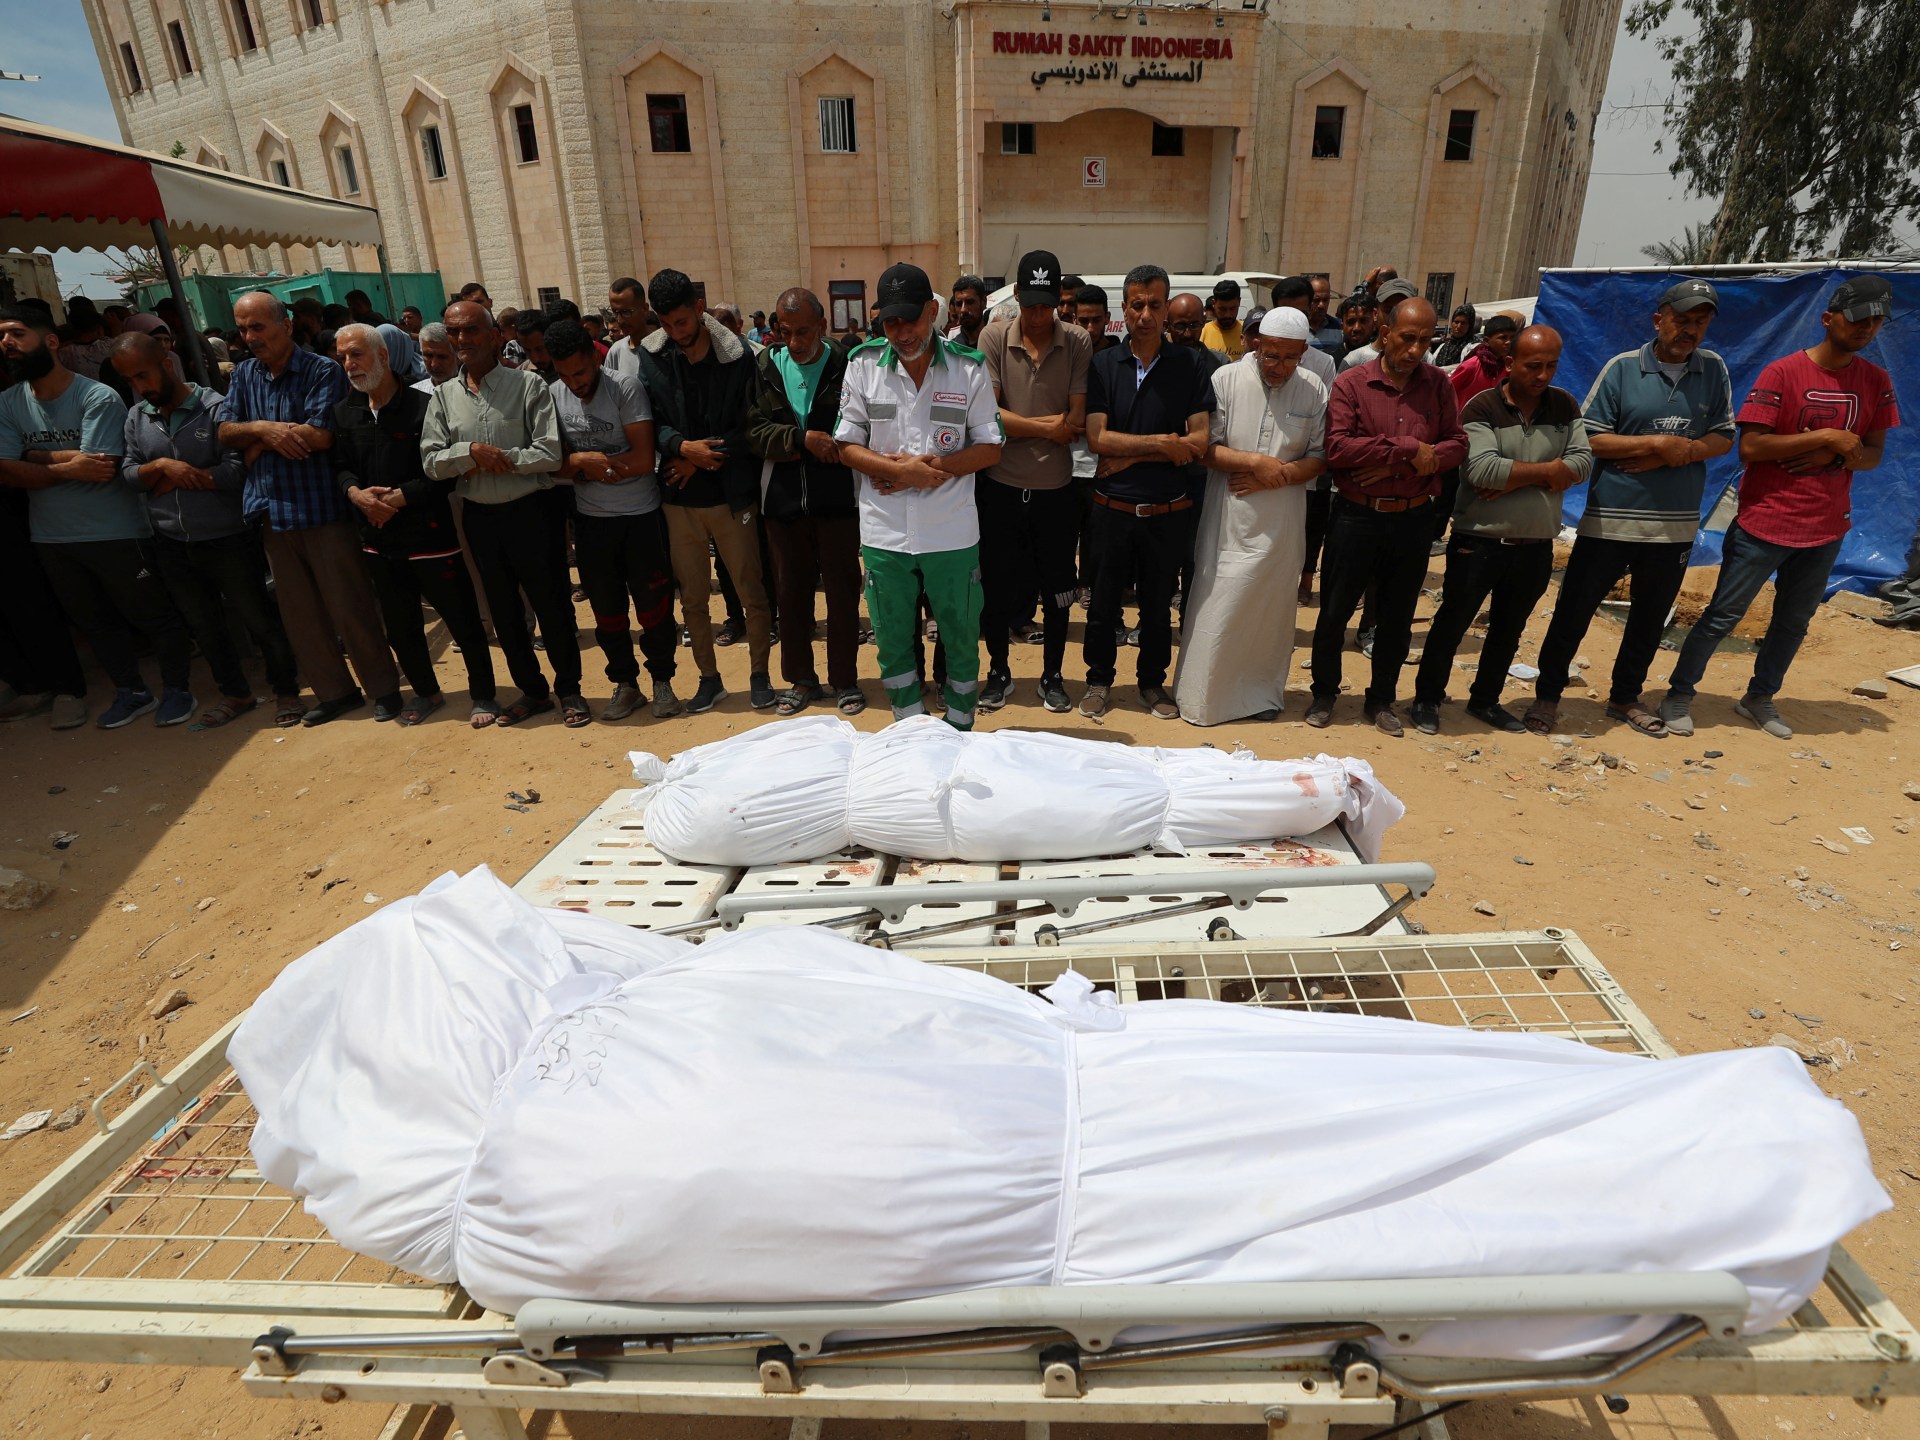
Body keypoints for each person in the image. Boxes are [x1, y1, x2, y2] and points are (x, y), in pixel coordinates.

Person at [1658, 276, 1899, 740]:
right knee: (1722, 616)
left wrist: (1833, 455)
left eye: (1875, 322)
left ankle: (1760, 697)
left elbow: (1873, 454)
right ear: (1828, 319)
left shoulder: (1875, 381)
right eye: (1858, 319)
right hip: (1765, 522)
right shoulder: (1783, 373)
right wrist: (1825, 437)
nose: (1866, 328)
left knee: (1793, 622)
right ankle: (1679, 694)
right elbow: (1750, 447)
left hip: (1826, 528)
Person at [1527, 279, 1735, 737]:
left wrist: (1678, 452)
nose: (1690, 330)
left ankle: (1625, 696)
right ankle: (1548, 695)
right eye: (1682, 320)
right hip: (1610, 520)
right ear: (1659, 319)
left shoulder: (1713, 369)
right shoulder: (1622, 368)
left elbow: (1724, 435)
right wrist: (1654, 443)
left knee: (1648, 619)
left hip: (1674, 528)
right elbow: (1589, 437)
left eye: (1700, 323)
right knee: (1573, 611)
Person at [0, 307, 196, 728]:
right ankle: (132, 693)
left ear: (51, 341)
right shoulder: (8, 403)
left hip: (116, 531)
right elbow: (6, 471)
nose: (7, 343)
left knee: (153, 615)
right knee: (95, 623)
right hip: (52, 537)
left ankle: (179, 689)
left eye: (17, 333)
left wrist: (32, 456)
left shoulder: (97, 396)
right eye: (2, 337)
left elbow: (101, 466)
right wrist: (65, 465)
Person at [220, 292, 402, 726]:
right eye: (243, 329)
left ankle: (383, 689)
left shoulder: (322, 370)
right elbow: (225, 431)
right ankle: (336, 694)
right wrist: (263, 429)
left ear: (285, 326)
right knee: (300, 615)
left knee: (350, 606)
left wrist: (256, 444)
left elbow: (319, 435)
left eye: (258, 327)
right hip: (271, 511)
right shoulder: (244, 374)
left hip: (320, 508)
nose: (250, 337)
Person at [834, 262, 1003, 728]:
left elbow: (990, 447)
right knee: (892, 640)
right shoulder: (863, 366)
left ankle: (960, 727)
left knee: (961, 634)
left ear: (932, 311)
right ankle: (908, 729)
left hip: (951, 532)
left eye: (911, 319)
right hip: (884, 534)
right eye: (891, 322)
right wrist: (897, 471)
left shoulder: (967, 369)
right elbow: (845, 445)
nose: (902, 332)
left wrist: (927, 472)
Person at [112, 330, 302, 729]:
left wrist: (172, 481)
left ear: (166, 364)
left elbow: (235, 472)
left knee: (258, 618)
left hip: (227, 537)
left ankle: (286, 690)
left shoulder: (216, 408)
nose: (140, 387)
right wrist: (163, 467)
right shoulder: (136, 416)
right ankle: (235, 693)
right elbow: (129, 475)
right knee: (205, 626)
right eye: (130, 380)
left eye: (143, 375)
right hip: (172, 542)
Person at [1410, 326, 1592, 735]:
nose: (1543, 375)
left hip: (1535, 544)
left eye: (1551, 366)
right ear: (1510, 363)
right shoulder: (1482, 407)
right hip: (1480, 541)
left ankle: (1485, 700)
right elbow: (1482, 470)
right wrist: (1550, 471)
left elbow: (1582, 463)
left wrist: (1515, 478)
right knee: (1453, 622)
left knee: (1509, 630)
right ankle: (1427, 698)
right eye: (1533, 366)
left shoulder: (1564, 405)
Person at [421, 301, 586, 727]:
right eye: (454, 332)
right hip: (479, 518)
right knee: (504, 612)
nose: (462, 340)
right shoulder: (443, 397)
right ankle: (533, 692)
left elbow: (549, 453)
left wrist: (499, 459)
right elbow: (432, 462)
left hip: (531, 513)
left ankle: (570, 691)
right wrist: (470, 452)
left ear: (495, 335)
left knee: (551, 605)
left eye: (471, 330)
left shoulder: (528, 386)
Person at [1309, 297, 1467, 735]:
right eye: (1407, 338)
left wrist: (1395, 463)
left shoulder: (1438, 385)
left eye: (1425, 340)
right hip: (1357, 516)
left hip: (1413, 519)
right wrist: (1410, 449)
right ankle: (1324, 693)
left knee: (1397, 617)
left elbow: (1456, 445)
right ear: (1385, 334)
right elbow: (1339, 448)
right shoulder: (1352, 383)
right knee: (1335, 611)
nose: (1415, 350)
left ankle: (1380, 700)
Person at [332, 324, 497, 729]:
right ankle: (427, 692)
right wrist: (356, 494)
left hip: (430, 536)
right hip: (378, 539)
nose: (349, 364)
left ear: (383, 356)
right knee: (401, 627)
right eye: (343, 357)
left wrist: (399, 498)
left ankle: (483, 694)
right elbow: (339, 466)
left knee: (462, 620)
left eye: (356, 354)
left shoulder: (425, 408)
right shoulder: (345, 411)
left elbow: (446, 471)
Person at [1173, 308, 1328, 725]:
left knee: (1269, 613)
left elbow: (1319, 455)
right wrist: (1255, 463)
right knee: (1219, 603)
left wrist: (1279, 476)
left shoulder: (1313, 388)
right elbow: (1204, 449)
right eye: (1271, 355)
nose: (1279, 366)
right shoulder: (1225, 380)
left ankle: (1259, 696)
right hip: (1228, 516)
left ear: (1303, 353)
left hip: (1282, 519)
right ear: (1256, 344)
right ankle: (1204, 699)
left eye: (1290, 358)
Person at [634, 268, 775, 713]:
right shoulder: (652, 357)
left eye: (682, 322)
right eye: (666, 324)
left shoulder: (740, 356)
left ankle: (760, 676)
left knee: (751, 592)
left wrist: (697, 456)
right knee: (693, 599)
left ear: (698, 309)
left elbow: (750, 426)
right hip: (679, 501)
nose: (676, 332)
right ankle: (709, 679)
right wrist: (680, 447)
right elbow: (650, 422)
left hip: (732, 495)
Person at [1079, 263, 1213, 720]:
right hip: (1112, 509)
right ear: (1124, 308)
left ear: (1166, 307)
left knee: (1157, 607)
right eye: (1137, 305)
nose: (1146, 314)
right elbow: (1097, 438)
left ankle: (1152, 684)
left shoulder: (1189, 365)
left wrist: (1132, 454)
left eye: (1155, 305)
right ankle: (1098, 680)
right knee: (1103, 605)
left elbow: (1198, 441)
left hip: (1167, 511)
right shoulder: (1103, 364)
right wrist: (1162, 444)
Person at [972, 250, 1091, 714]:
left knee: (1059, 589)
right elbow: (988, 417)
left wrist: (1019, 424)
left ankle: (1052, 675)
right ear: (1017, 296)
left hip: (1055, 489)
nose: (1039, 315)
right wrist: (1048, 428)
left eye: (1047, 305)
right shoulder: (993, 337)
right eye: (1030, 305)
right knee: (998, 585)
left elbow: (1076, 419)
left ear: (1059, 299)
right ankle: (998, 672)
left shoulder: (1077, 340)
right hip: (1001, 485)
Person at [543, 316, 678, 723]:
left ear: (595, 358)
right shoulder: (552, 395)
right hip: (591, 522)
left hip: (640, 517)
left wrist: (587, 467)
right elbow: (551, 464)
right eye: (565, 375)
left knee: (653, 608)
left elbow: (643, 459)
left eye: (581, 373)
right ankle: (626, 684)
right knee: (607, 611)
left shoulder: (625, 388)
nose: (575, 383)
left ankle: (663, 682)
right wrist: (579, 463)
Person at [747, 288, 865, 715]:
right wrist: (801, 439)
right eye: (786, 331)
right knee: (791, 594)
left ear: (822, 326)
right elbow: (752, 431)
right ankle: (801, 679)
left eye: (803, 332)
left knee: (842, 594)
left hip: (838, 501)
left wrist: (836, 444)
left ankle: (845, 681)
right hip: (781, 505)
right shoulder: (765, 367)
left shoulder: (847, 366)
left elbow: (863, 425)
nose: (795, 342)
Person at [1340, 278, 1418, 373]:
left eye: (1403, 311)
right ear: (1375, 314)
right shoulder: (1354, 360)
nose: (1395, 318)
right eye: (1389, 310)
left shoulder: (1423, 359)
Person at [1449, 312, 1517, 406]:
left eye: (1512, 338)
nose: (1508, 342)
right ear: (1486, 341)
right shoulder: (1472, 365)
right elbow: (1447, 391)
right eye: (1503, 337)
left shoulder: (1509, 367)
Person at [604, 277, 650, 382]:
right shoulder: (615, 352)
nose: (620, 320)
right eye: (615, 312)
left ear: (644, 309)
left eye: (626, 312)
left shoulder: (665, 351)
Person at [1168, 293, 1229, 364]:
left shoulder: (1219, 362)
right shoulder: (1158, 363)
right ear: (1167, 326)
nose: (1188, 334)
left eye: (1194, 325)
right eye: (1180, 326)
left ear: (1203, 322)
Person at [1200, 279, 1245, 360]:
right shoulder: (1202, 332)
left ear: (1239, 302)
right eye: (1222, 309)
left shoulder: (1247, 332)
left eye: (1232, 309)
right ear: (1213, 303)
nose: (1228, 315)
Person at [1335, 290, 1377, 365]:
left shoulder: (1381, 360)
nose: (1357, 328)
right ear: (1342, 326)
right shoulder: (1329, 360)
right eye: (1351, 322)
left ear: (1374, 325)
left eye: (1363, 321)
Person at [948, 275, 989, 349]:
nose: (963, 310)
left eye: (969, 302)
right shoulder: (953, 348)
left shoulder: (997, 344)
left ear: (983, 302)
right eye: (959, 304)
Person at [1434, 303, 1479, 368]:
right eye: (1456, 322)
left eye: (1463, 323)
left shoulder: (1475, 347)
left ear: (1470, 325)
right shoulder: (1443, 347)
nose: (1458, 326)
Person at [417, 322, 459, 389]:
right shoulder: (416, 392)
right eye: (428, 356)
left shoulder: (473, 391)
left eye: (442, 357)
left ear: (458, 357)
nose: (434, 365)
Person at [1308, 277, 1344, 354]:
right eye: (1316, 300)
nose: (1321, 305)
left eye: (1325, 300)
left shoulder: (1338, 327)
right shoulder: (1297, 326)